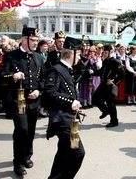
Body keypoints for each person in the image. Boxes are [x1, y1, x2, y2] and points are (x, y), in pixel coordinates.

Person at [0, 27, 46, 176]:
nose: (36, 43)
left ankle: (26, 156)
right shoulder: (12, 56)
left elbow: (43, 78)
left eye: (37, 40)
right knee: (22, 130)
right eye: (33, 40)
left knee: (30, 131)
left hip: (34, 101)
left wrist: (39, 91)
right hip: (18, 101)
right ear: (24, 39)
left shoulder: (38, 57)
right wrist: (13, 75)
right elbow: (0, 76)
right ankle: (17, 162)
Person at [44, 36, 85, 179]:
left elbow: (82, 72)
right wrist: (70, 102)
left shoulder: (68, 69)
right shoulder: (55, 70)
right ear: (71, 54)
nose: (80, 57)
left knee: (63, 151)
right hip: (61, 118)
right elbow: (50, 93)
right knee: (77, 152)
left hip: (69, 117)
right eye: (78, 53)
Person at [90, 44, 125, 127]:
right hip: (103, 84)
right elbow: (101, 72)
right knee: (95, 98)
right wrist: (93, 72)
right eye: (103, 52)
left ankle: (114, 121)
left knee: (110, 103)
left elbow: (122, 74)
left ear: (111, 52)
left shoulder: (115, 62)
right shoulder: (105, 61)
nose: (104, 54)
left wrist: (114, 81)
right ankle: (105, 111)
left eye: (105, 52)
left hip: (109, 86)